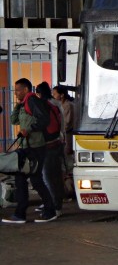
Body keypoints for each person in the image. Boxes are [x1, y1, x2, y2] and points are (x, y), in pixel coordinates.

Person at [2, 78, 57, 223]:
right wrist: (18, 105)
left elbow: (44, 119)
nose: (16, 94)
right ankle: (22, 213)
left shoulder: (33, 101)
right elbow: (14, 120)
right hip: (27, 146)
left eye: (18, 90)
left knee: (34, 179)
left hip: (36, 146)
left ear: (26, 89)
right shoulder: (24, 103)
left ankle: (48, 211)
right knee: (22, 178)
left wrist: (29, 129)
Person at [35, 82, 65, 217]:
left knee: (47, 177)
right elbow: (62, 123)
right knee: (56, 176)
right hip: (58, 141)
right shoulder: (56, 105)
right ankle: (56, 204)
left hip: (47, 145)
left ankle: (53, 206)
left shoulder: (42, 105)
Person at [53, 84, 75, 199]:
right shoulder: (62, 105)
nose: (53, 96)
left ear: (61, 95)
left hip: (68, 137)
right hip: (65, 137)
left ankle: (70, 191)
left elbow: (67, 124)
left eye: (55, 94)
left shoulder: (67, 106)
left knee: (68, 164)